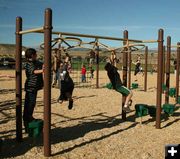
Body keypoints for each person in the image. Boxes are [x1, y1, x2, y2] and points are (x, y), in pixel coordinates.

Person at [23, 48, 44, 132]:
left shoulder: (36, 62)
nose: (37, 55)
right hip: (30, 87)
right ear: (32, 55)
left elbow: (40, 63)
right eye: (35, 54)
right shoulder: (28, 63)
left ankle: (29, 117)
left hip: (34, 87)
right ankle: (27, 118)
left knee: (32, 103)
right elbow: (34, 71)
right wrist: (43, 70)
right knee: (30, 103)